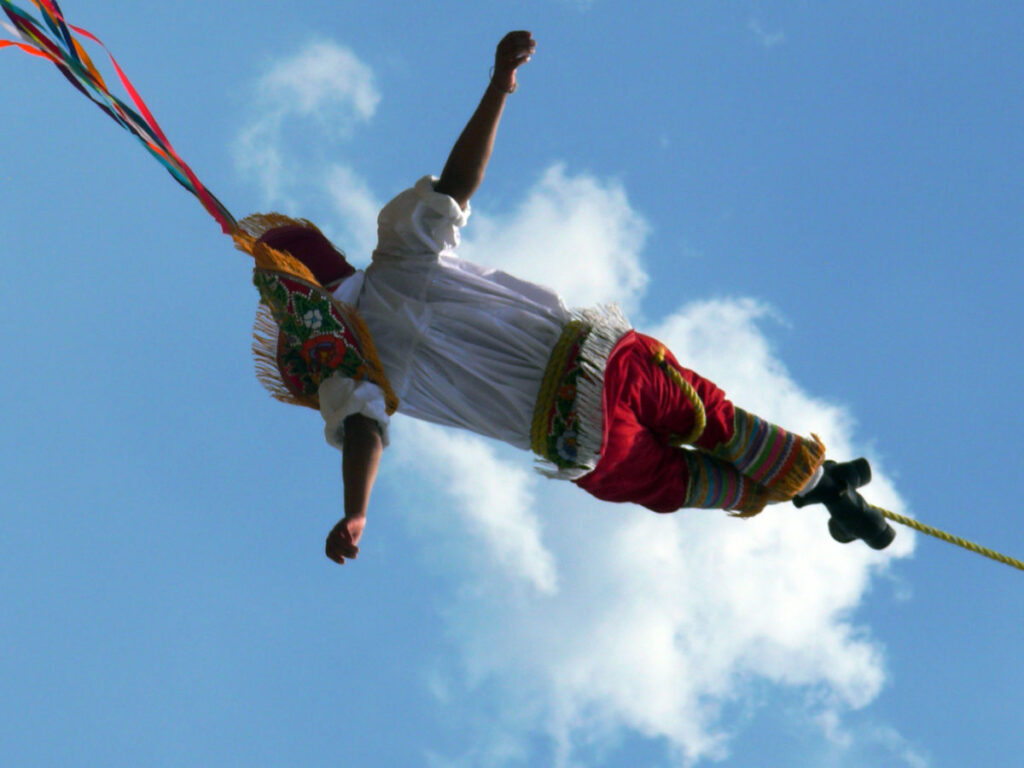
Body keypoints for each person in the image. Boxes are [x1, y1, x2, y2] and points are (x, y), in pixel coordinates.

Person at [235, 31, 895, 566]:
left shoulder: (358, 372)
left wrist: (357, 510)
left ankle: (811, 492)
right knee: (715, 419)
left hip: (582, 439)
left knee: (681, 483)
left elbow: (363, 434)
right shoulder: (400, 251)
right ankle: (818, 484)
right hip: (604, 364)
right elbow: (460, 180)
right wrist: (498, 86)